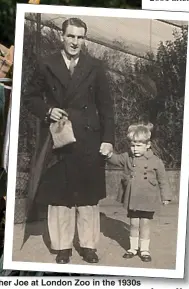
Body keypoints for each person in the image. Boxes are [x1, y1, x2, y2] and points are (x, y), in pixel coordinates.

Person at [24, 17, 114, 264]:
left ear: (84, 39)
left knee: (87, 197)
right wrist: (47, 110)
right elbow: (29, 97)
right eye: (71, 36)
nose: (75, 42)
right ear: (62, 36)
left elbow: (106, 107)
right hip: (58, 138)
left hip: (88, 139)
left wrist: (108, 139)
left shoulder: (95, 66)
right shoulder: (46, 64)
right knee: (60, 197)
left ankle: (88, 246)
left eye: (80, 37)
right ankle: (63, 247)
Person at [107, 124, 171, 262]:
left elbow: (163, 179)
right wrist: (108, 154)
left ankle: (144, 250)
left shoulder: (156, 161)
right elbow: (115, 160)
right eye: (132, 145)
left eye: (139, 145)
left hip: (148, 197)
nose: (135, 149)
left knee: (145, 224)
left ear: (148, 145)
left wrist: (166, 196)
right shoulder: (127, 157)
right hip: (133, 198)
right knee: (134, 223)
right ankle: (133, 248)